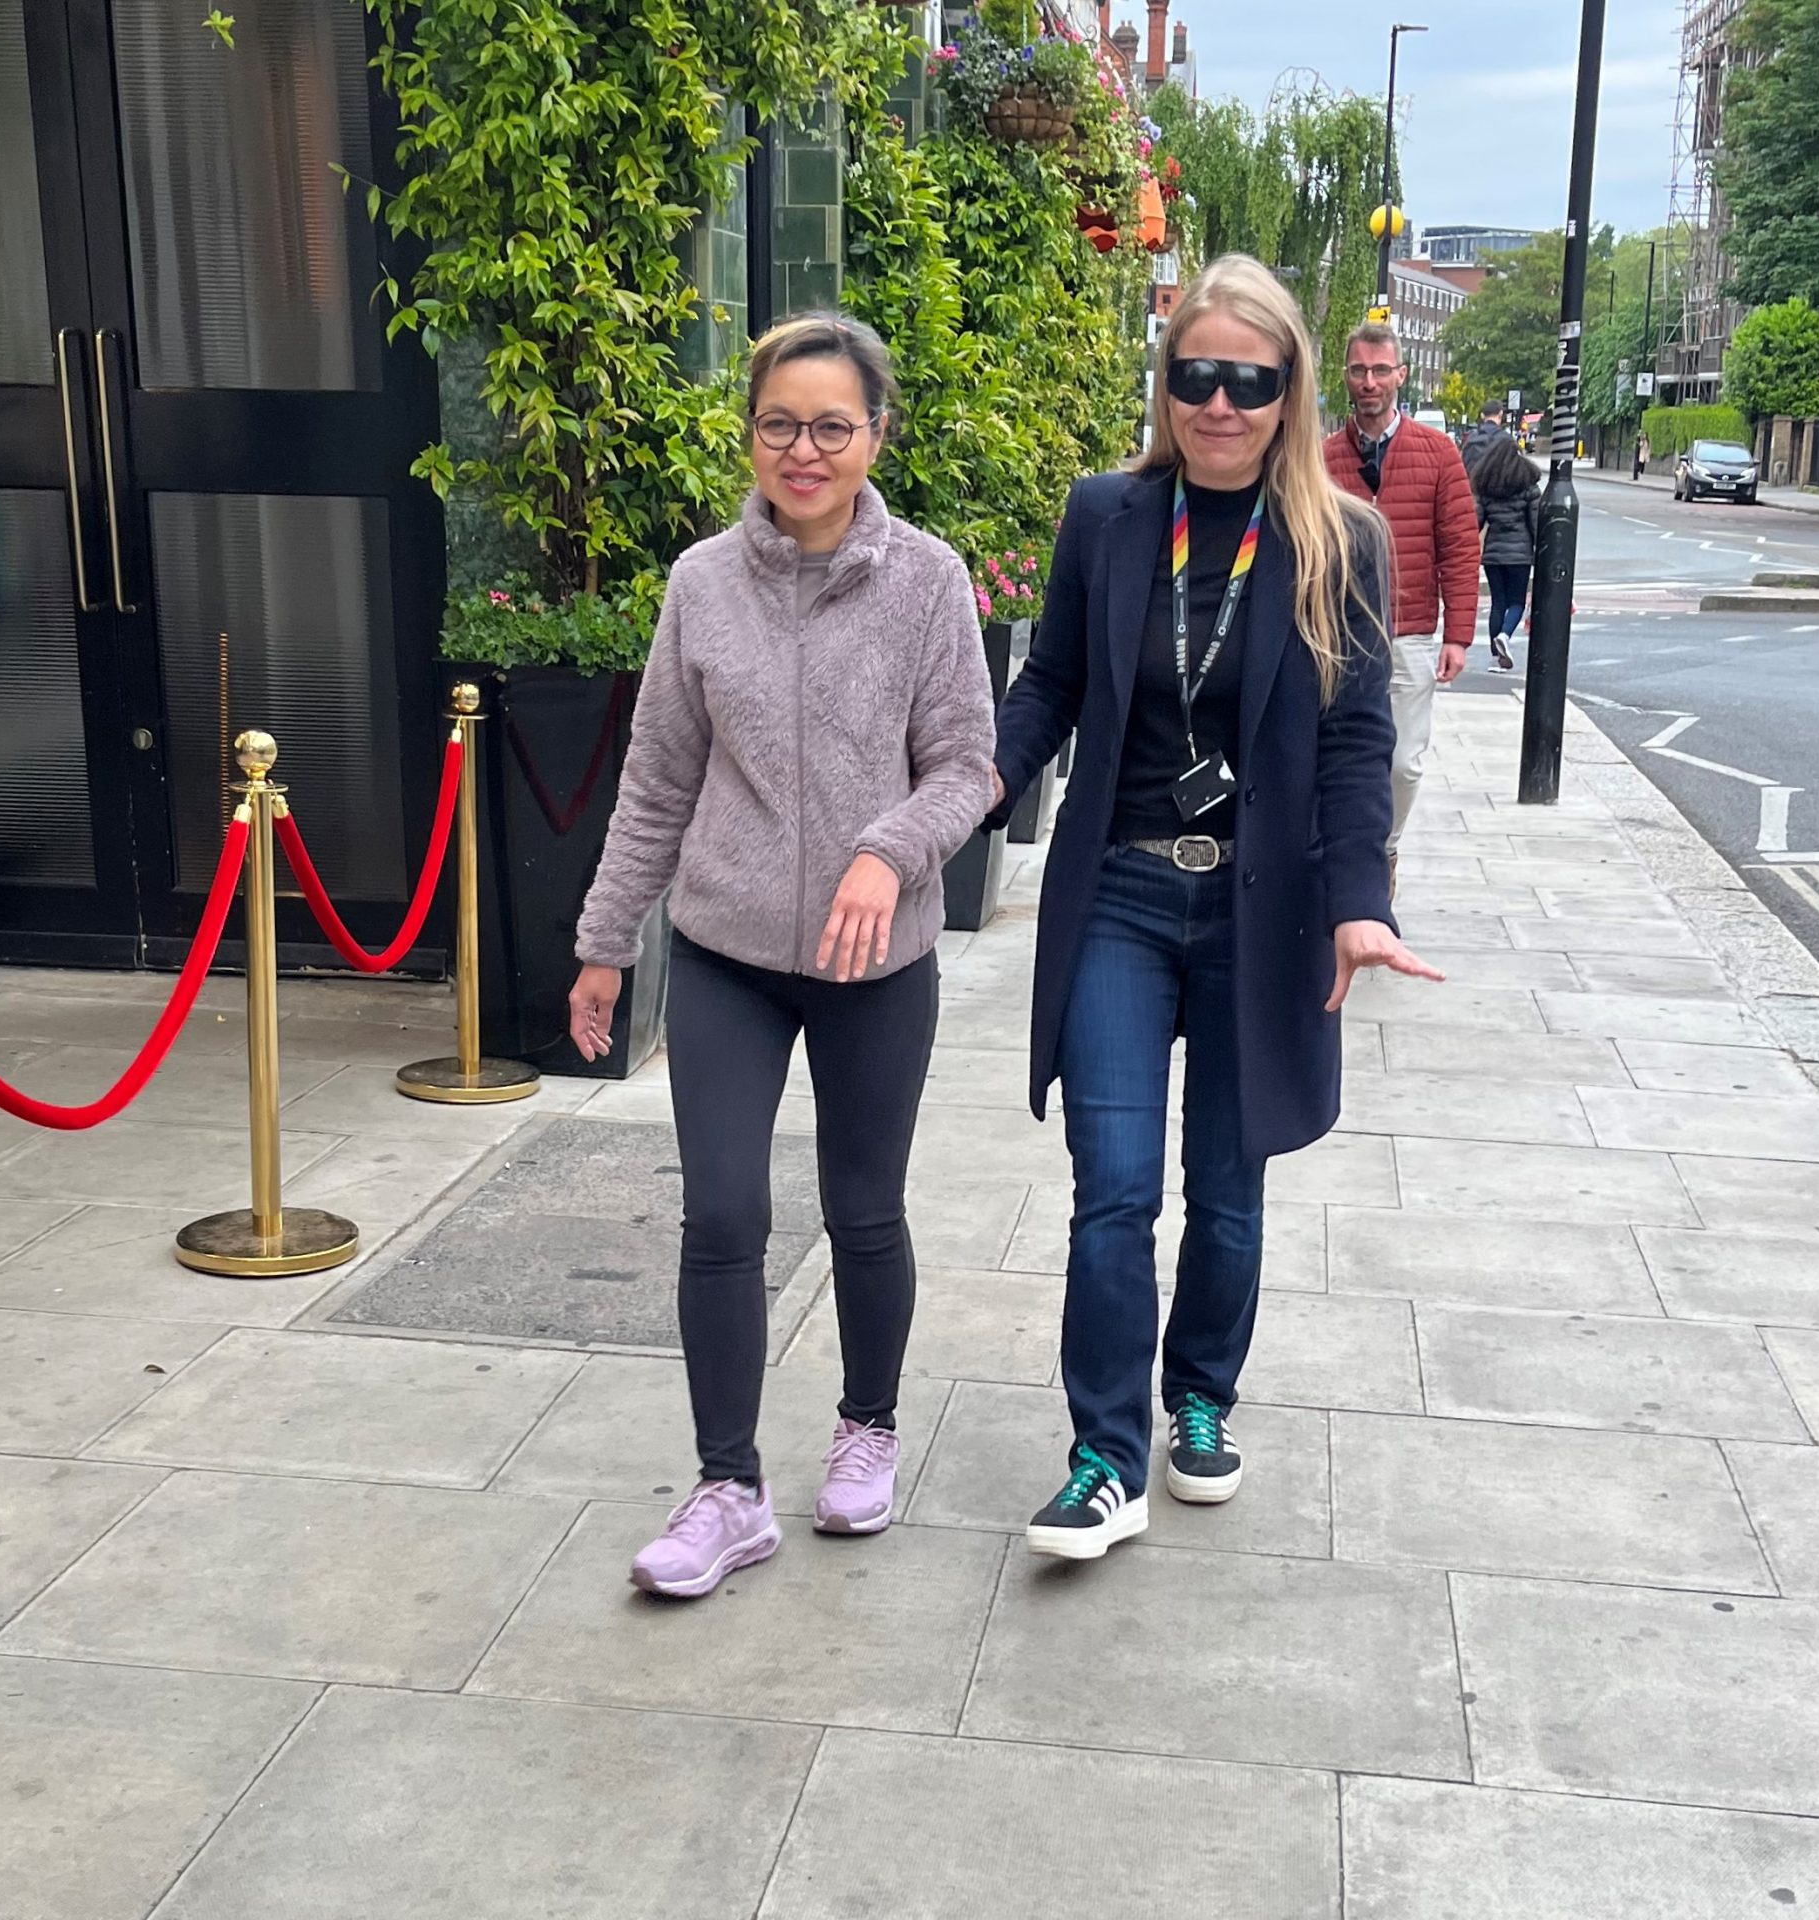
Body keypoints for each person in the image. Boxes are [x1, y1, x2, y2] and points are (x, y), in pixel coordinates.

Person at [988, 256, 1444, 1560]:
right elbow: (1051, 686)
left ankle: (1199, 1400)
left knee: (1227, 1195)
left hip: (1263, 911)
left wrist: (1362, 903)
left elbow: (1358, 746)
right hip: (1123, 895)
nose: (1222, 403)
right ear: (1168, 381)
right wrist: (966, 790)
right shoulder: (1107, 516)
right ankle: (1103, 1458)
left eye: (1252, 381)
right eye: (1198, 376)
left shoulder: (1338, 541)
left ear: (1291, 390)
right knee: (1114, 1190)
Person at [570, 315, 995, 1598]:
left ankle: (867, 1426)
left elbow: (969, 765)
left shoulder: (927, 581)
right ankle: (727, 1488)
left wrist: (886, 851)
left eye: (831, 425)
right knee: (725, 1215)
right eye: (777, 424)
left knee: (863, 1210)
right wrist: (603, 945)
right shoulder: (700, 584)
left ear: (875, 435)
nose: (802, 450)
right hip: (727, 952)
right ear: (749, 432)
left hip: (877, 960)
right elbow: (656, 782)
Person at [1323, 321, 1480, 897]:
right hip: (1334, 634)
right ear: (1347, 376)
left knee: (1403, 763)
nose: (1370, 382)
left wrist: (1458, 634)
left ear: (1401, 376)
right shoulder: (1321, 459)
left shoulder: (1438, 454)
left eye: (1380, 370)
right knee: (1333, 756)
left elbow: (1462, 545)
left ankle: (1382, 848)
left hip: (1409, 632)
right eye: (1360, 371)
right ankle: (1346, 859)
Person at [1472, 441, 1542, 674]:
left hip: (1493, 554)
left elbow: (1476, 522)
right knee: (1516, 602)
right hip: (1520, 555)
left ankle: (1496, 651)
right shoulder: (1529, 488)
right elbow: (1536, 524)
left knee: (1498, 602)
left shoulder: (1487, 489)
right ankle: (1505, 635)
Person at [1457, 398, 1509, 474]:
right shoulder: (1506, 439)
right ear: (1500, 414)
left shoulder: (1471, 438)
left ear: (1482, 415)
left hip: (1474, 483)